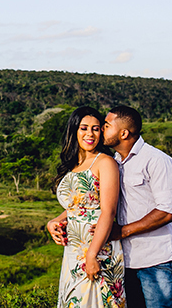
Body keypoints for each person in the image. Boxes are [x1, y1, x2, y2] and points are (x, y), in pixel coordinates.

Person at [102, 105, 172, 308]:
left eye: (107, 125)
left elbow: (167, 212)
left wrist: (122, 231)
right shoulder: (113, 162)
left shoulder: (157, 161)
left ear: (124, 133)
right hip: (125, 261)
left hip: (156, 260)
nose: (102, 129)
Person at [47, 107, 125, 308]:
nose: (90, 134)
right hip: (73, 250)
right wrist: (55, 221)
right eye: (84, 128)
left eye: (95, 129)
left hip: (97, 248)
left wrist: (91, 255)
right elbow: (78, 206)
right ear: (74, 131)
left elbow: (108, 211)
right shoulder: (73, 165)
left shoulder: (105, 162)